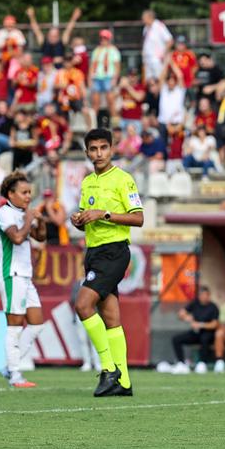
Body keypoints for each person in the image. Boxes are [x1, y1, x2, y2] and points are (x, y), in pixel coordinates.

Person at [70, 128, 144, 397]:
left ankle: (108, 368)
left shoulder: (123, 180)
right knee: (111, 317)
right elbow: (88, 218)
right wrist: (79, 220)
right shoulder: (88, 182)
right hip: (93, 252)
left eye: (103, 148)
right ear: (87, 152)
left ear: (111, 149)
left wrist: (105, 213)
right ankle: (123, 381)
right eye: (93, 149)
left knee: (83, 304)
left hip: (114, 251)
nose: (98, 153)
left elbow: (138, 218)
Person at [0, 171, 47, 388]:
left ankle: (9, 366)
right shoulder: (4, 213)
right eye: (23, 193)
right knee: (14, 325)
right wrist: (28, 219)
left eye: (29, 193)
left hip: (24, 275)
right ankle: (15, 374)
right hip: (10, 274)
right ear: (10, 194)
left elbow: (40, 237)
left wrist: (39, 221)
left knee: (36, 324)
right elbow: (16, 238)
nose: (28, 197)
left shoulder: (22, 213)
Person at [171, 286, 219, 374]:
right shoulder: (194, 304)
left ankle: (202, 363)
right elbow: (181, 314)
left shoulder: (213, 307)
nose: (204, 297)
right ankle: (181, 363)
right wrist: (187, 317)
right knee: (176, 339)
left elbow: (214, 324)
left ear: (209, 296)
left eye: (206, 295)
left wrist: (201, 325)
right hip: (196, 333)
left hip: (208, 332)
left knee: (204, 338)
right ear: (199, 296)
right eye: (202, 295)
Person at [89, 29, 121, 117]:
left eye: (105, 38)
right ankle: (93, 124)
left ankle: (115, 124)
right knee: (95, 102)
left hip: (108, 77)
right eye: (102, 38)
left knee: (111, 102)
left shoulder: (114, 51)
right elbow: (92, 66)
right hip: (97, 77)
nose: (103, 40)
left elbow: (117, 67)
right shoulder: (96, 51)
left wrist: (114, 79)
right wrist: (90, 79)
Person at [142, 9, 173, 80]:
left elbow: (170, 40)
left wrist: (163, 55)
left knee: (159, 79)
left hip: (157, 59)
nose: (142, 19)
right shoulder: (145, 28)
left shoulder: (159, 26)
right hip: (147, 59)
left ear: (150, 17)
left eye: (144, 17)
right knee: (149, 81)